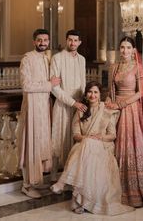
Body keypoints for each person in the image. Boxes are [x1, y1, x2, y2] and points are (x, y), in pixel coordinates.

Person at [51, 81, 134, 215]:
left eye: (96, 92)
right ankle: (79, 199)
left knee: (88, 145)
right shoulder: (81, 110)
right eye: (90, 92)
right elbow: (76, 135)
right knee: (86, 145)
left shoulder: (106, 110)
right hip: (83, 145)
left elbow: (112, 135)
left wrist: (99, 138)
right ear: (86, 94)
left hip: (103, 146)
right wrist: (88, 139)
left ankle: (65, 186)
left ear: (100, 94)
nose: (92, 95)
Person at [106, 36, 143, 208]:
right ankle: (114, 184)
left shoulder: (138, 67)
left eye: (128, 47)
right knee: (115, 143)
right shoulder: (114, 66)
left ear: (134, 51)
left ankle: (136, 187)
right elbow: (110, 89)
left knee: (132, 144)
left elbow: (141, 92)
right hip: (115, 110)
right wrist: (109, 102)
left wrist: (123, 103)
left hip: (130, 109)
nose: (125, 51)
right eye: (122, 47)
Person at [18, 28, 60, 198]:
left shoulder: (46, 59)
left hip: (44, 107)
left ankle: (37, 181)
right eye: (40, 40)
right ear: (34, 41)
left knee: (42, 144)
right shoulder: (27, 59)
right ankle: (27, 185)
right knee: (31, 145)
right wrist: (49, 84)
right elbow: (26, 85)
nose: (43, 43)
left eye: (46, 40)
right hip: (32, 109)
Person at [50, 29, 87, 180]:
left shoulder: (82, 59)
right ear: (66, 40)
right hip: (63, 105)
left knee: (75, 139)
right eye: (70, 40)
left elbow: (83, 82)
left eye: (75, 40)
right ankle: (53, 175)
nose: (72, 43)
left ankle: (70, 175)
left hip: (79, 106)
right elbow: (54, 87)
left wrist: (83, 102)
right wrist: (72, 102)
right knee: (59, 138)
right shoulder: (57, 58)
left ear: (79, 42)